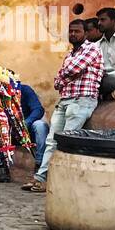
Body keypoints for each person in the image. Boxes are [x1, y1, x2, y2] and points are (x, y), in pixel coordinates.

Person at [24, 17, 104, 192]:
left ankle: (60, 182)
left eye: (77, 31)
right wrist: (66, 75)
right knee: (52, 141)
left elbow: (70, 70)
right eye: (71, 31)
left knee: (66, 141)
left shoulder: (92, 48)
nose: (73, 34)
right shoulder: (70, 54)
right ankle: (40, 179)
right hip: (65, 100)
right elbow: (58, 82)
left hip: (81, 100)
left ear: (85, 33)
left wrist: (65, 75)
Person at [16, 79, 47, 170]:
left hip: (27, 127)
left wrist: (27, 122)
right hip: (6, 130)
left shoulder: (25, 90)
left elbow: (38, 109)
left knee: (40, 126)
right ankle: (2, 166)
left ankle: (39, 163)